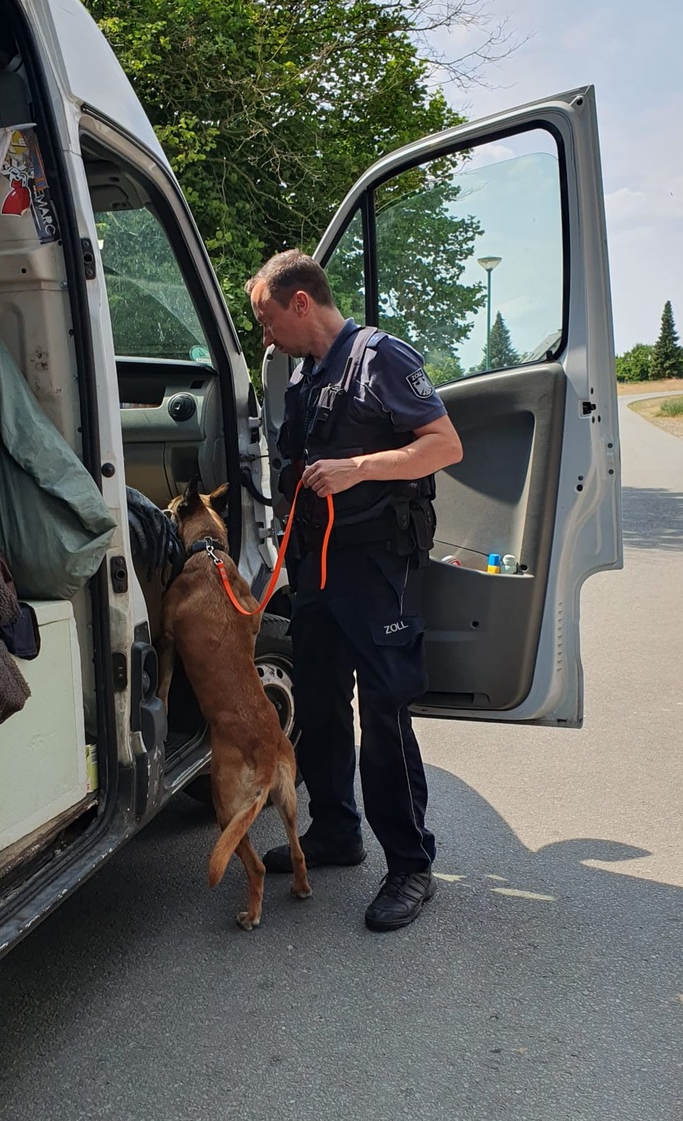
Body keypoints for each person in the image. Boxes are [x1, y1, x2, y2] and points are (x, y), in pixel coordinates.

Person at [245, 250, 463, 931]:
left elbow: (442, 444)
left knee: (384, 713)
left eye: (266, 316)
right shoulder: (305, 377)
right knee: (317, 702)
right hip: (317, 566)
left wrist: (357, 469)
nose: (264, 333)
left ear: (301, 302)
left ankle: (409, 865)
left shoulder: (380, 358)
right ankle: (336, 833)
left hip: (376, 567)